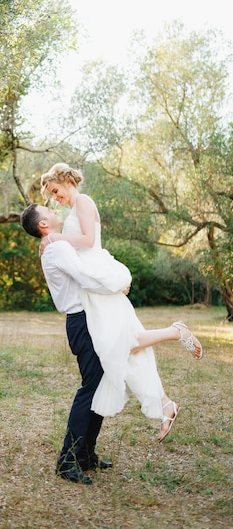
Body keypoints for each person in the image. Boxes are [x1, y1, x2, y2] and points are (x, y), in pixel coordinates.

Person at [39, 162, 203, 442]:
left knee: (125, 343)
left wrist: (54, 237)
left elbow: (90, 241)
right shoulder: (74, 209)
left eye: (56, 190)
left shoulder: (84, 202)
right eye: (52, 196)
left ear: (66, 181)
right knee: (124, 347)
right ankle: (165, 403)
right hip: (93, 287)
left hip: (98, 281)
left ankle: (177, 332)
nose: (56, 198)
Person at [21, 203, 130, 485]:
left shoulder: (57, 244)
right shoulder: (56, 248)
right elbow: (83, 276)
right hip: (81, 321)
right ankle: (67, 460)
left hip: (89, 317)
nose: (55, 210)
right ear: (43, 224)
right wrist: (117, 286)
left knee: (100, 385)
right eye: (49, 210)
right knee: (91, 387)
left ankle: (86, 454)